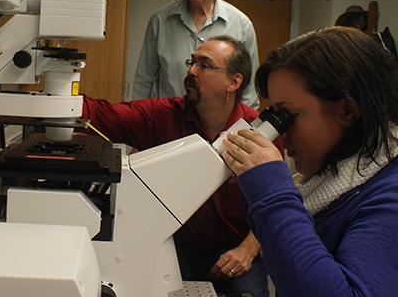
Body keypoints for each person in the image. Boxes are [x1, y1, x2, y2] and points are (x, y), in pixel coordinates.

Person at [221, 27, 398, 296]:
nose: (279, 132)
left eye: (288, 115)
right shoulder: (341, 180)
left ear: (347, 110)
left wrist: (273, 194)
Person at [83, 36, 269, 297]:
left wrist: (247, 250)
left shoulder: (257, 132)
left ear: (234, 81)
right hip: (175, 246)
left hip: (236, 251)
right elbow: (103, 115)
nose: (191, 71)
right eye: (191, 62)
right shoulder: (163, 116)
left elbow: (274, 204)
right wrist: (56, 100)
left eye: (204, 65)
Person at [133, 0, 260, 109]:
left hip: (219, 130)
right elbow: (143, 81)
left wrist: (237, 132)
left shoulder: (241, 26)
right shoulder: (161, 21)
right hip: (168, 124)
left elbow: (249, 93)